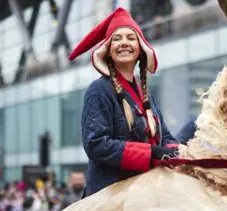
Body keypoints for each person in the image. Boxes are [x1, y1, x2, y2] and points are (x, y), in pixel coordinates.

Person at [68, 7, 178, 197]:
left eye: (130, 38)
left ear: (141, 48)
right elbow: (96, 144)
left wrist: (176, 152)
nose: (124, 43)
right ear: (108, 50)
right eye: (117, 39)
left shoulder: (146, 96)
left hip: (146, 193)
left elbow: (166, 138)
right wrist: (150, 153)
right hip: (109, 199)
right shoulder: (99, 90)